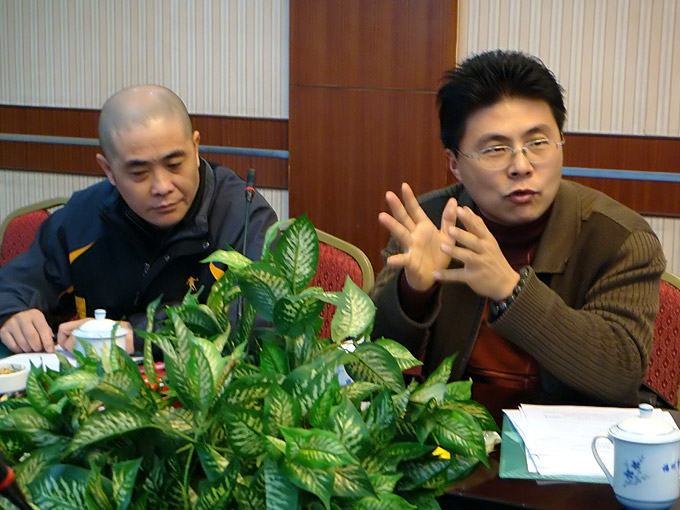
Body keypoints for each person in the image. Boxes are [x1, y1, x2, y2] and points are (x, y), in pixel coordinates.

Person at [371, 50, 666, 407]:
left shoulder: (620, 238)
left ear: (561, 143)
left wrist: (510, 290)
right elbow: (370, 368)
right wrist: (414, 292)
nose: (521, 166)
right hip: (454, 432)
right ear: (455, 163)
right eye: (495, 149)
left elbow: (619, 375)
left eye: (538, 143)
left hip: (575, 437)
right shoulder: (428, 223)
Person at [0, 85, 277, 355]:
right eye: (139, 173)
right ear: (109, 170)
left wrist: (137, 336)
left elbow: (254, 318)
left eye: (174, 164)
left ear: (195, 149)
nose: (162, 187)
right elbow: (20, 281)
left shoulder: (242, 214)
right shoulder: (85, 214)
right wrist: (13, 312)